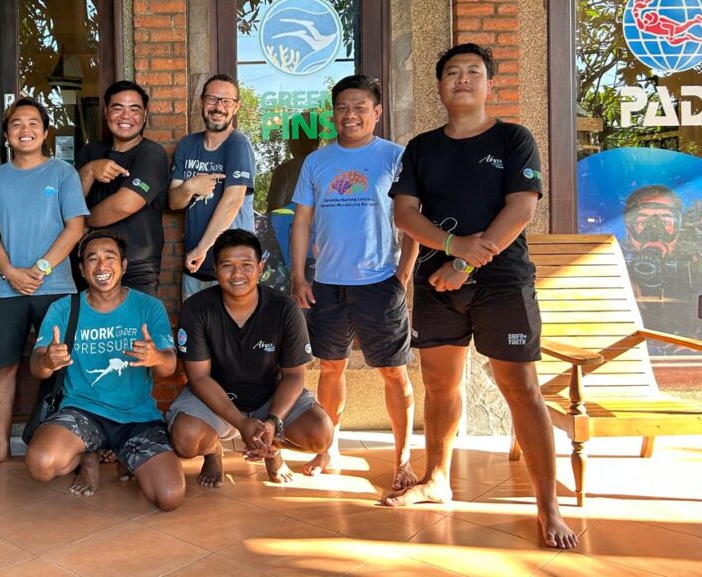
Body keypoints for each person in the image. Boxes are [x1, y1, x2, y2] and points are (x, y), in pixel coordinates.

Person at [386, 42, 578, 550]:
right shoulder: (422, 147)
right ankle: (436, 479)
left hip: (502, 283)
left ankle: (547, 504)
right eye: (453, 72)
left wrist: (466, 263)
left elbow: (521, 209)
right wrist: (451, 250)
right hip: (436, 285)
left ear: (489, 84)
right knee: (439, 387)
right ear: (440, 86)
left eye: (474, 71)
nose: (463, 79)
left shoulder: (514, 139)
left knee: (521, 389)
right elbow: (404, 214)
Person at [290, 75, 418, 485]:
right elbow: (302, 221)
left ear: (376, 112)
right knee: (330, 367)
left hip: (380, 282)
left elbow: (412, 222)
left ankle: (403, 460)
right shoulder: (317, 162)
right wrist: (298, 275)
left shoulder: (396, 157)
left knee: (394, 371)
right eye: (343, 107)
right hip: (328, 283)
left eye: (360, 107)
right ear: (333, 114)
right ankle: (329, 450)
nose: (351, 115)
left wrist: (402, 277)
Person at [25, 230, 185, 511]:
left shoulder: (149, 307)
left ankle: (124, 453)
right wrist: (47, 360)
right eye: (92, 259)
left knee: (170, 496)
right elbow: (37, 367)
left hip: (137, 418)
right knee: (41, 464)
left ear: (123, 265)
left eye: (109, 258)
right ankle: (90, 455)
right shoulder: (64, 309)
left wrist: (156, 357)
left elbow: (169, 367)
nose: (101, 266)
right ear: (82, 270)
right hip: (82, 412)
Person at [0, 98, 87, 474]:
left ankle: (72, 442)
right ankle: (1, 445)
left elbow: (75, 227)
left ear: (46, 131)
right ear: (7, 135)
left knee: (64, 364)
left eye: (34, 123)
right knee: (3, 367)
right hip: (8, 289)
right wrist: (9, 271)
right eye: (17, 124)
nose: (26, 130)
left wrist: (39, 269)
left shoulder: (63, 173)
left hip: (56, 286)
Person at [168, 229, 333, 486]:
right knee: (186, 439)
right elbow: (199, 377)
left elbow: (294, 375)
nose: (237, 274)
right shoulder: (197, 308)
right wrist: (241, 422)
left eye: (246, 265)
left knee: (320, 434)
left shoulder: (284, 309)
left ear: (260, 268)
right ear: (215, 270)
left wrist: (273, 422)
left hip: (269, 398)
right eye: (227, 266)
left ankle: (271, 446)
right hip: (216, 399)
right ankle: (213, 451)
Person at [75, 80, 169, 296]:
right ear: (106, 112)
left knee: (135, 319)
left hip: (136, 265)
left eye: (134, 109)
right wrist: (89, 171)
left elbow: (125, 204)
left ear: (144, 115)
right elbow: (70, 202)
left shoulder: (152, 154)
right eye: (118, 108)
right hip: (91, 265)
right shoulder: (90, 152)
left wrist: (82, 222)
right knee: (90, 319)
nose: (126, 116)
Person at [169, 74, 256, 299]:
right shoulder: (187, 144)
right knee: (194, 322)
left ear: (236, 107)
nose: (219, 107)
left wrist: (202, 248)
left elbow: (233, 201)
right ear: (202, 102)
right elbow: (174, 202)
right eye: (212, 99)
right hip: (195, 265)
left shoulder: (238, 144)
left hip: (232, 267)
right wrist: (191, 186)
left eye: (226, 101)